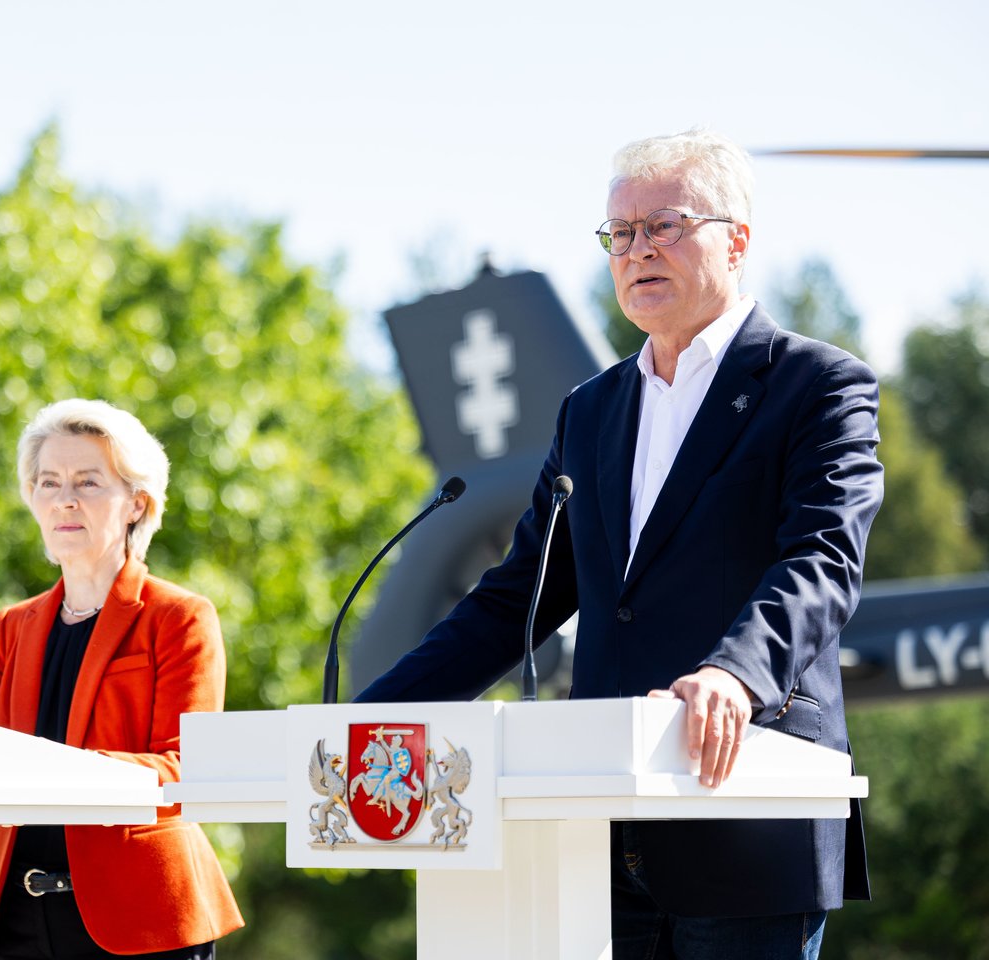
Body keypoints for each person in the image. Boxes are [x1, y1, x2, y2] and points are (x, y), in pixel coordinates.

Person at [356, 129, 881, 959]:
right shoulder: (590, 410)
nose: (639, 250)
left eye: (665, 225)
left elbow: (821, 560)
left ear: (736, 240)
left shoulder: (817, 386)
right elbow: (517, 597)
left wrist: (733, 675)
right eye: (622, 233)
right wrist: (368, 718)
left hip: (746, 806)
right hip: (595, 829)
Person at [0, 398, 243, 959]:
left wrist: (57, 768)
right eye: (48, 482)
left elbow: (188, 768)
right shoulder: (13, 626)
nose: (65, 499)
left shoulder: (178, 617)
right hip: (22, 921)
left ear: (136, 503)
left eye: (87, 482)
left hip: (144, 919)